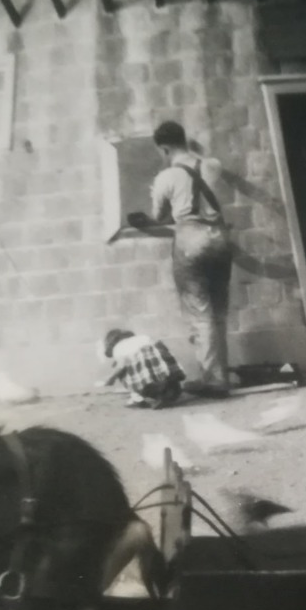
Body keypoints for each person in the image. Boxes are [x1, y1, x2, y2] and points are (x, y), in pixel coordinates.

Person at [126, 120, 233, 397]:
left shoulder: (166, 177)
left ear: (163, 148)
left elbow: (161, 216)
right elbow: (205, 168)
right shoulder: (213, 165)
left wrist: (143, 220)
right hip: (220, 238)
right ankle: (222, 374)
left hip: (191, 239)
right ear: (185, 140)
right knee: (219, 311)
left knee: (200, 313)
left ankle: (214, 380)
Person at [101, 327, 186, 408]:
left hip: (146, 378)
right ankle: (170, 390)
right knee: (156, 358)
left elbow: (120, 366)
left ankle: (138, 398)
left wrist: (110, 380)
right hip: (165, 370)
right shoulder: (143, 338)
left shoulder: (118, 348)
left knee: (121, 369)